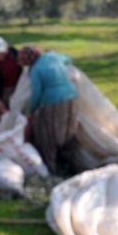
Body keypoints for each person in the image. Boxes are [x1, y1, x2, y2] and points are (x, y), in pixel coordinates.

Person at [19, 45, 80, 177]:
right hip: (71, 97)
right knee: (68, 132)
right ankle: (71, 167)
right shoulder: (52, 56)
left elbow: (36, 94)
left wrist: (30, 112)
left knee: (48, 135)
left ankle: (52, 170)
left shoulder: (35, 70)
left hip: (54, 102)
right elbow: (68, 58)